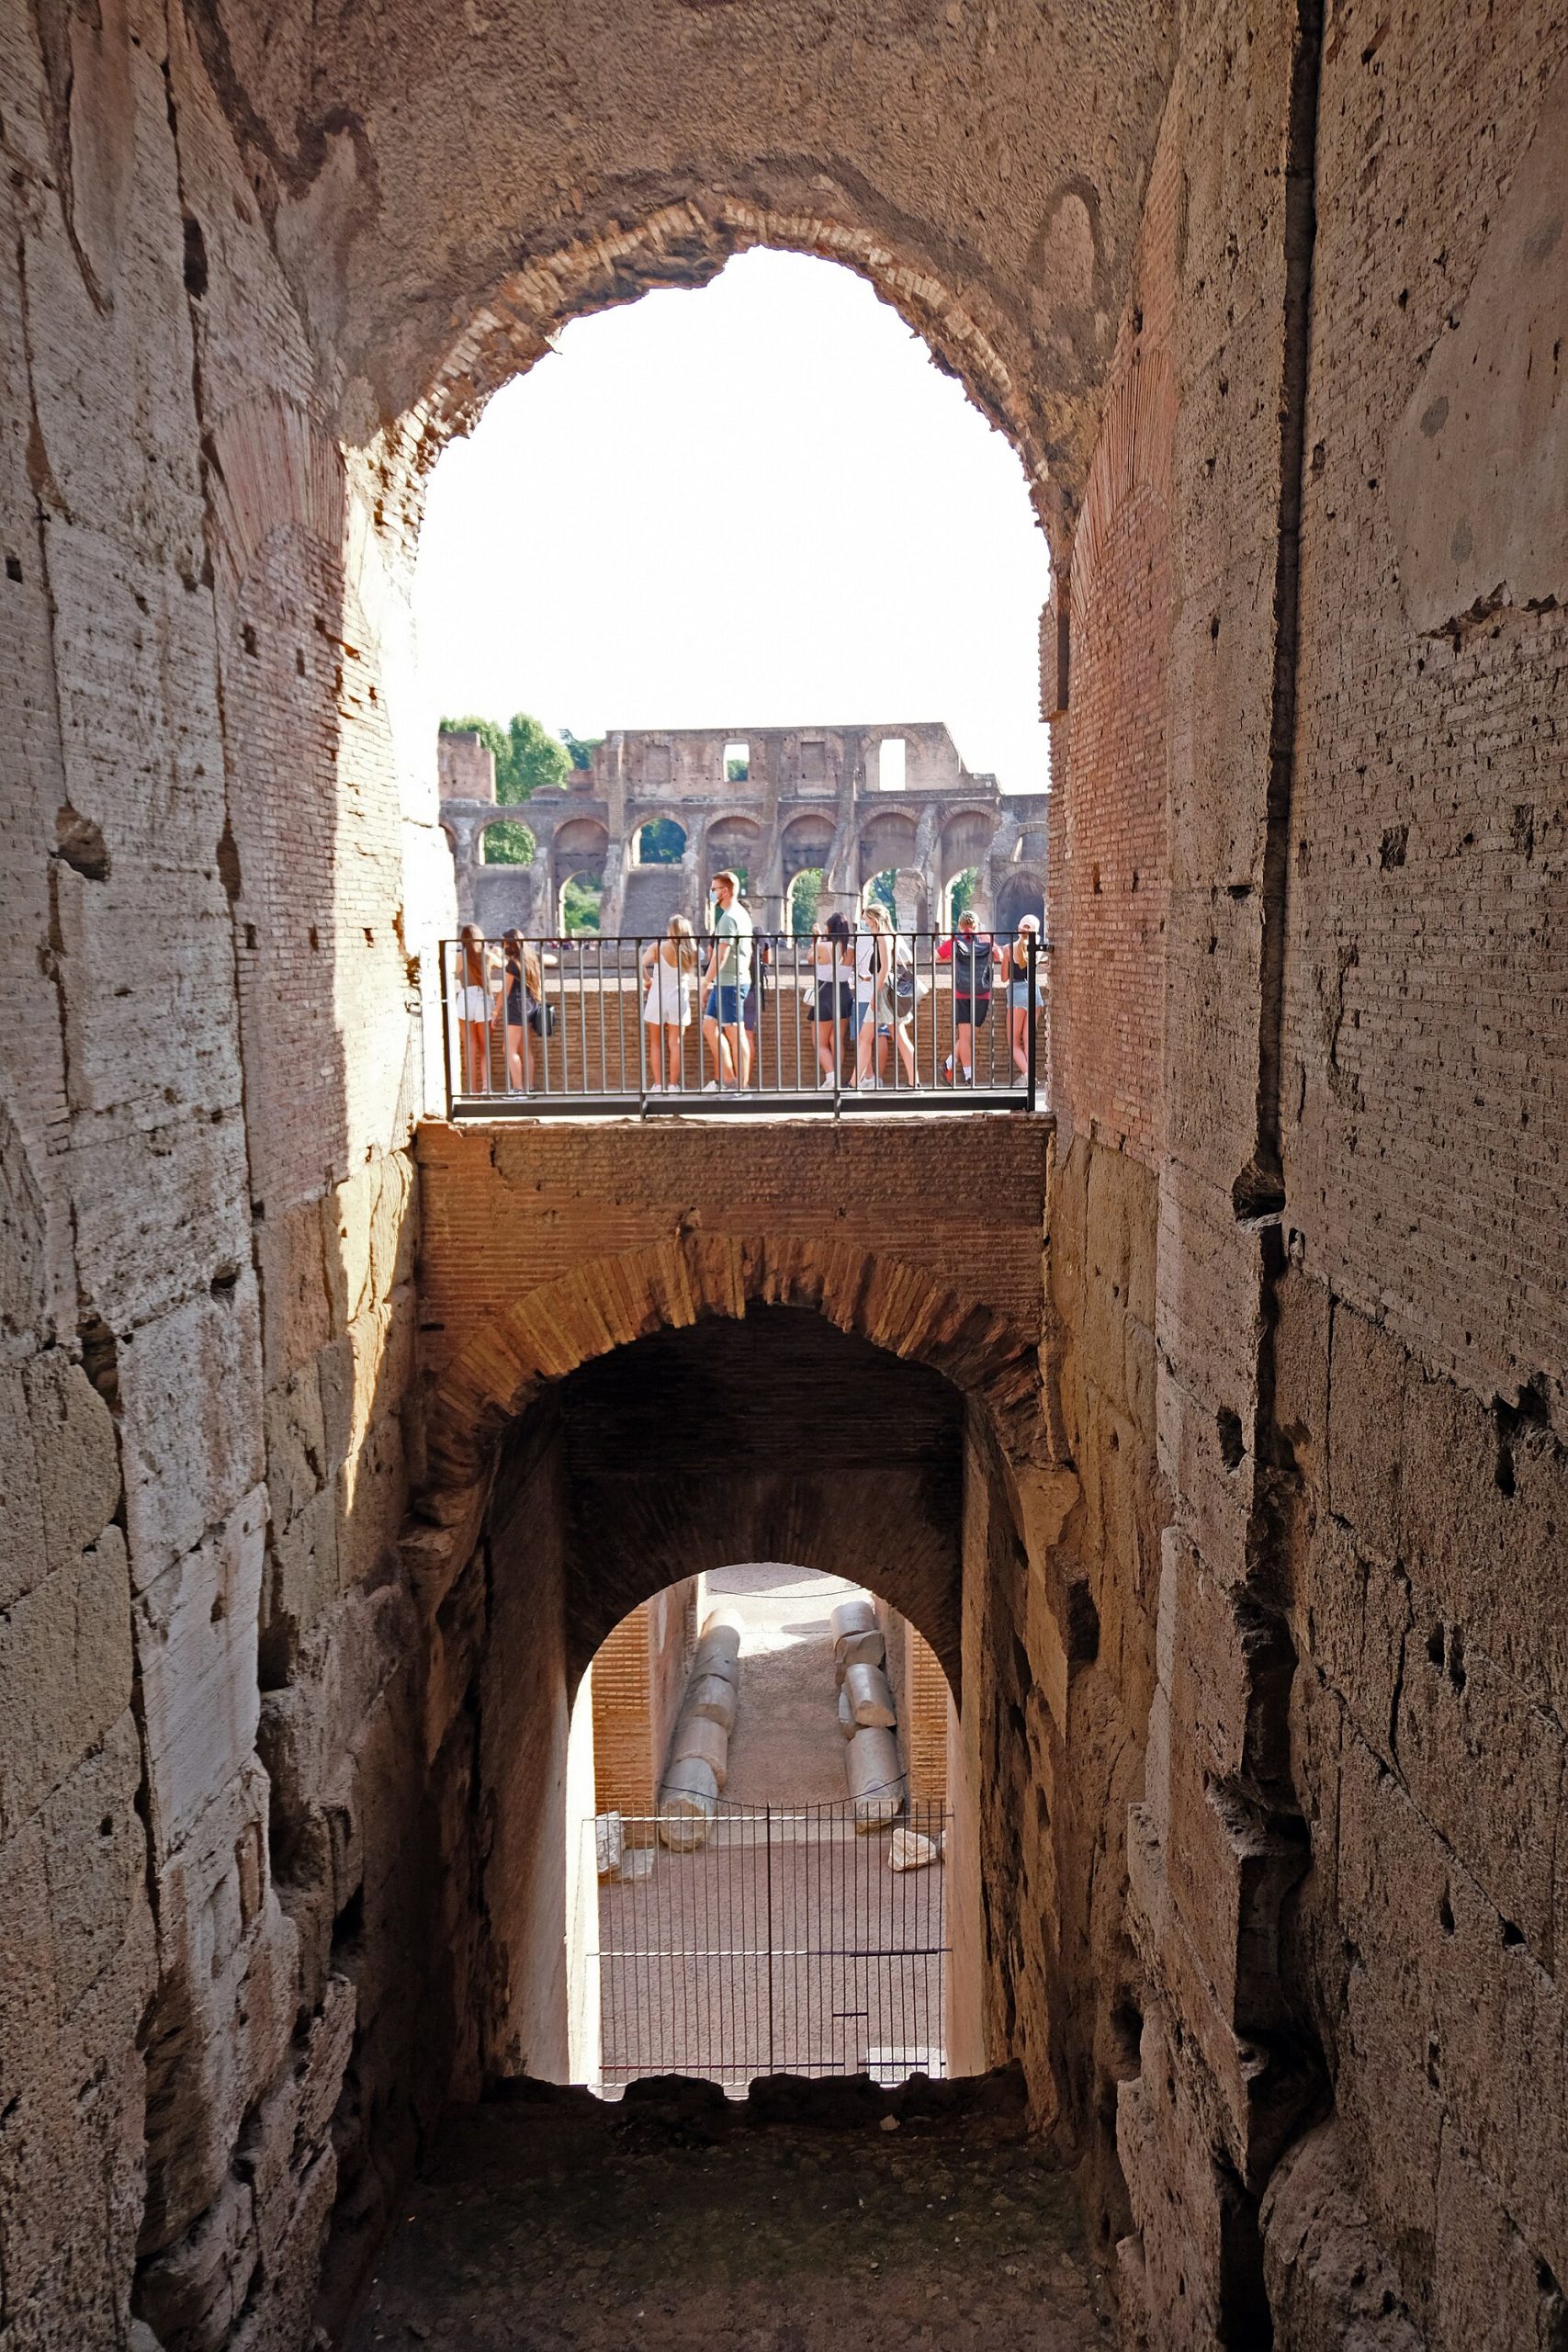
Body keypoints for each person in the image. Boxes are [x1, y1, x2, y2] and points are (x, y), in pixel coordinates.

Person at [700, 869, 753, 1091]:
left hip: (730, 983)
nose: (711, 894)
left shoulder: (729, 918)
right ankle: (729, 1077)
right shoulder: (737, 914)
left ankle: (742, 1085)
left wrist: (706, 984)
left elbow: (720, 956)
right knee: (709, 1025)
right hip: (728, 980)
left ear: (726, 890)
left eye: (714, 890)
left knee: (734, 1031)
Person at [935, 909, 995, 1083]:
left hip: (961, 993)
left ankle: (956, 1069)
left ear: (960, 926)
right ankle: (953, 1068)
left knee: (964, 1037)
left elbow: (935, 957)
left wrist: (953, 958)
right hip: (982, 993)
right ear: (976, 925)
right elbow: (999, 955)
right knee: (968, 1038)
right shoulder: (985, 939)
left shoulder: (955, 941)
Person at [640, 915, 698, 1090]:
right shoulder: (693, 949)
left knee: (655, 1043)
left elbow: (639, 963)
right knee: (676, 1044)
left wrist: (648, 980)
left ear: (670, 930)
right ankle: (673, 1085)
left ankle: (658, 1085)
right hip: (678, 997)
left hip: (657, 995)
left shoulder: (657, 947)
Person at [809, 912, 854, 1087]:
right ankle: (836, 1075)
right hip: (844, 993)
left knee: (819, 1042)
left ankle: (831, 1076)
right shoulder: (850, 950)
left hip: (825, 992)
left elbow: (810, 959)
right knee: (837, 1039)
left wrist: (817, 938)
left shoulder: (822, 947)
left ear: (829, 928)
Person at [501, 928, 546, 1092]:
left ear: (511, 945)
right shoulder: (531, 960)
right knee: (525, 1049)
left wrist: (495, 1012)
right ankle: (530, 1087)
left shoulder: (512, 964)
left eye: (504, 943)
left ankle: (518, 1089)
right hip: (530, 1006)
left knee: (509, 1049)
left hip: (517, 1007)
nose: (503, 946)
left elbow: (505, 991)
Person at [1001, 913, 1044, 1083]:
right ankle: (1028, 1078)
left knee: (1013, 1042)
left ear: (1019, 928)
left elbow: (1004, 977)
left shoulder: (1008, 949)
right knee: (1028, 1040)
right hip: (1034, 994)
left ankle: (1029, 1077)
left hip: (1017, 995)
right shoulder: (1037, 950)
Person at [455, 923, 498, 1093]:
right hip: (483, 998)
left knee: (470, 1048)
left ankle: (472, 1091)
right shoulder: (486, 955)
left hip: (466, 998)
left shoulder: (459, 957)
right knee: (484, 1047)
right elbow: (504, 964)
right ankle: (486, 1087)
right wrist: (496, 953)